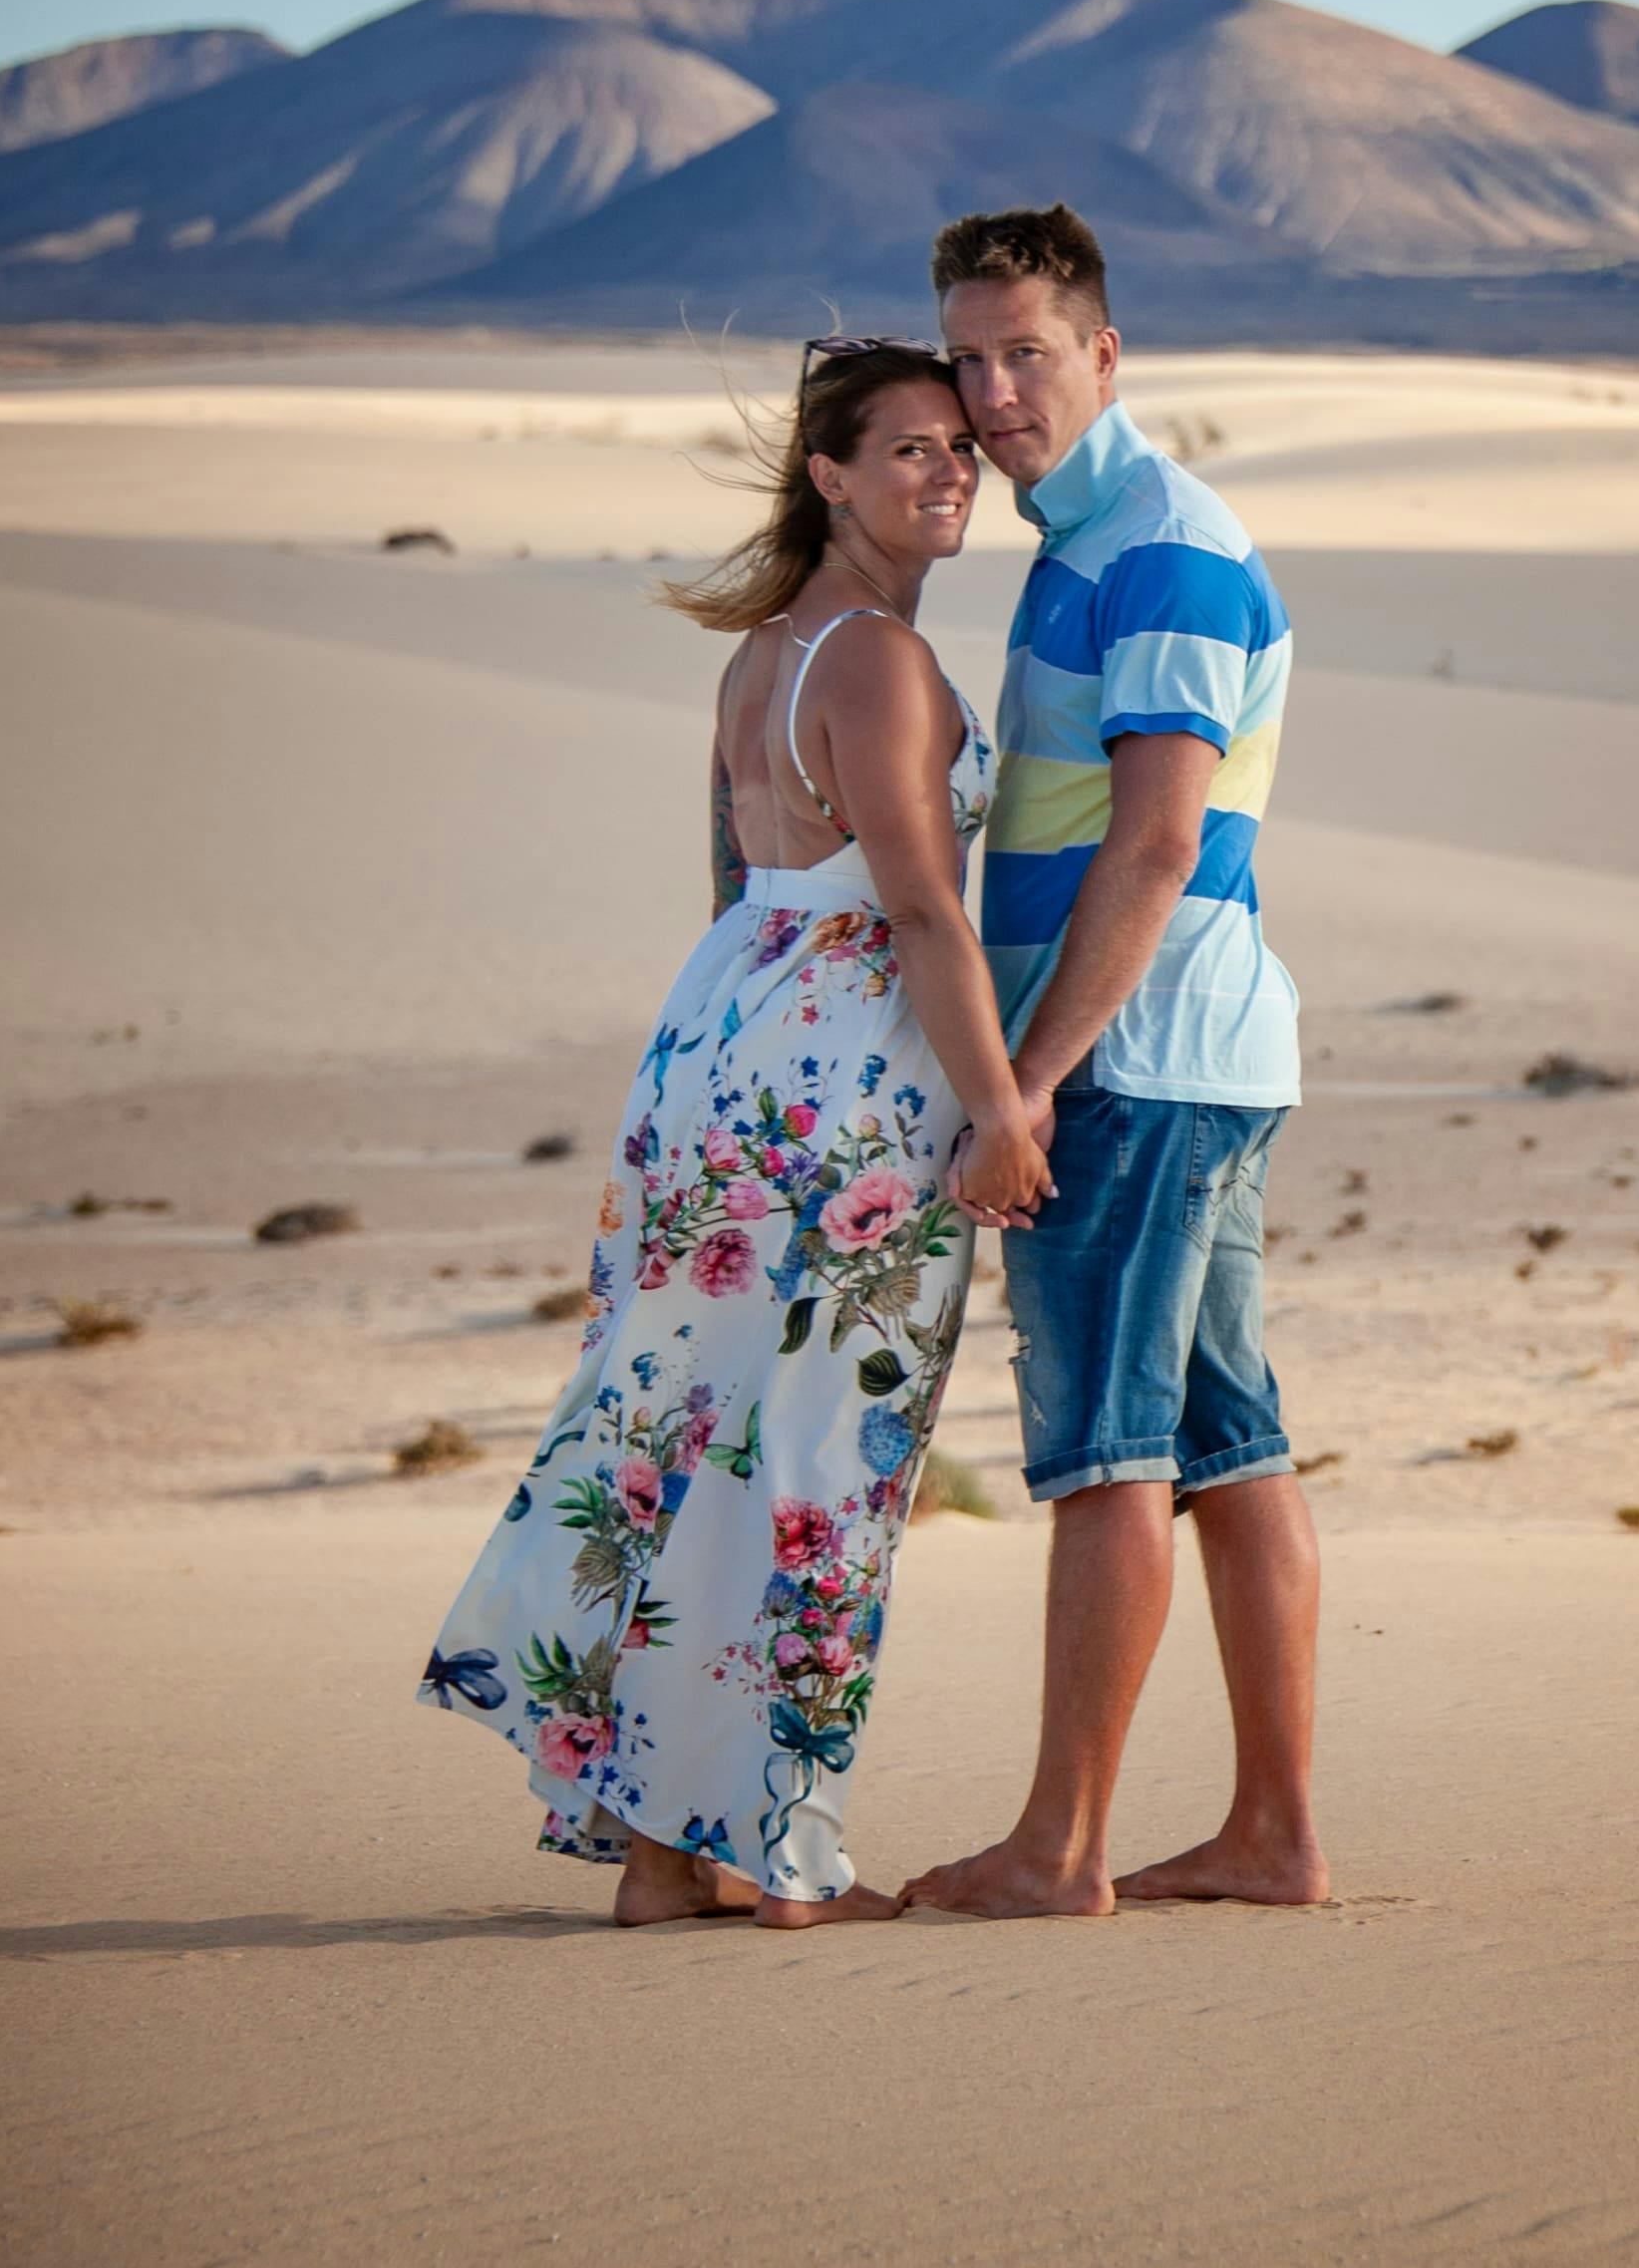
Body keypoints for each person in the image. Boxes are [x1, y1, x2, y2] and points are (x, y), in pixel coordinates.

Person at [419, 338, 1051, 1927]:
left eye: (960, 449)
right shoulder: (879, 664)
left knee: (691, 1442)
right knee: (822, 1456)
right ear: (829, 476)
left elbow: (732, 888)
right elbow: (916, 904)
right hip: (844, 1085)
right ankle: (777, 1853)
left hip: (723, 1049)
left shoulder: (760, 653)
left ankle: (659, 1856)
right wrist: (997, 1108)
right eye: (909, 450)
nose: (949, 472)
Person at [901, 203, 1325, 1920]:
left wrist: (1027, 1084)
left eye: (1028, 353)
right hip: (1197, 1051)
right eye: (970, 357)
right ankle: (1275, 1839)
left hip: (1138, 1065)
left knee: (1106, 1455)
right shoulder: (1091, 545)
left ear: (1105, 354)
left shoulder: (1156, 544)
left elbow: (1155, 844)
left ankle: (1058, 1850)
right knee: (1230, 1450)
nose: (995, 393)